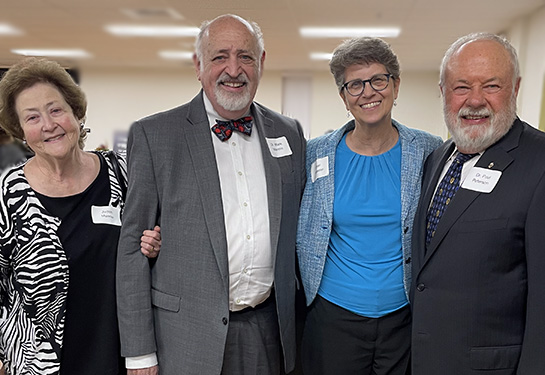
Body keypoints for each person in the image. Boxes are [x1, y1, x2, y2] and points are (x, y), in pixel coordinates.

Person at [116, 14, 306, 375]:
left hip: (268, 330)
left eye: (245, 56)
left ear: (261, 63)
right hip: (184, 335)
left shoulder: (289, 133)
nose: (233, 69)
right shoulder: (155, 135)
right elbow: (131, 250)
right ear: (198, 65)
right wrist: (140, 353)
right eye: (220, 56)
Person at [0, 57, 161, 375]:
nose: (48, 124)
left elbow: (149, 244)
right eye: (32, 117)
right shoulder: (8, 193)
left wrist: (154, 247)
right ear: (20, 130)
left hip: (119, 354)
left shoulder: (122, 174)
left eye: (56, 109)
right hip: (39, 363)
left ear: (76, 112)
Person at [296, 37, 442, 374]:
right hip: (332, 316)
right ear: (344, 97)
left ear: (395, 85)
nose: (368, 92)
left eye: (378, 80)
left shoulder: (429, 151)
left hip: (403, 317)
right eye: (355, 84)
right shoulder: (316, 153)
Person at [410, 32, 545, 374]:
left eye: (491, 86)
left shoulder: (539, 162)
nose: (475, 100)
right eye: (461, 87)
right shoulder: (438, 157)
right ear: (443, 92)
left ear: (515, 89)